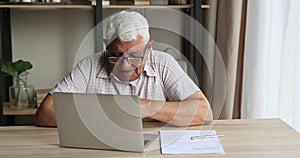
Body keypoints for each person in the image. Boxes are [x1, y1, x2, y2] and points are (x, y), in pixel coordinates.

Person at [35, 11, 213, 127]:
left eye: (135, 56)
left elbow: (204, 112)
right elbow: (45, 113)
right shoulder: (89, 65)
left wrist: (146, 108)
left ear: (149, 47)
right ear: (106, 47)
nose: (125, 65)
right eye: (116, 56)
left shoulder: (163, 63)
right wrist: (111, 116)